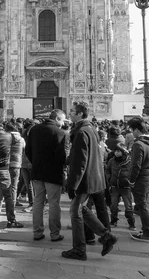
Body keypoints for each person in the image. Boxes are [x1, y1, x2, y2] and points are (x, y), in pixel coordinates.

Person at [62, 101, 117, 261]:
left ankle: (79, 249)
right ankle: (106, 235)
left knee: (75, 212)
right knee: (82, 209)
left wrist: (73, 185)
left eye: (72, 111)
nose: (70, 113)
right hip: (94, 177)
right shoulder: (90, 128)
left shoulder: (81, 132)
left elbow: (80, 162)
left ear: (79, 114)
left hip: (85, 179)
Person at [25, 109, 68, 242]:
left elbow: (28, 150)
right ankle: (55, 234)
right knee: (54, 203)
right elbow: (63, 156)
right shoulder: (61, 133)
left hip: (37, 172)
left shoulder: (34, 129)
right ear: (56, 119)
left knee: (38, 201)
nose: (63, 123)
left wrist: (36, 162)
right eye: (62, 120)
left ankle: (37, 232)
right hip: (53, 173)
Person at [128, 116, 149, 242]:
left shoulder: (138, 144)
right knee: (145, 204)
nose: (131, 133)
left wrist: (131, 181)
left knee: (142, 205)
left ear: (136, 130)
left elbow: (135, 166)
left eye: (131, 130)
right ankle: (147, 229)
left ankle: (147, 233)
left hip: (141, 178)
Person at [105, 144, 136, 230]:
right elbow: (107, 170)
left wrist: (130, 181)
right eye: (115, 151)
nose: (116, 153)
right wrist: (109, 178)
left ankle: (131, 222)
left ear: (123, 151)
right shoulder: (112, 161)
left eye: (118, 151)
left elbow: (134, 171)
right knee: (113, 206)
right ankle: (113, 220)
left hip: (126, 188)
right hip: (115, 187)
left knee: (128, 206)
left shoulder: (129, 161)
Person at [6, 121, 25, 207]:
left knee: (3, 186)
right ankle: (12, 206)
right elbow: (24, 149)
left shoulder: (6, 138)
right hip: (17, 164)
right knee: (14, 186)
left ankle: (3, 205)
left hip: (6, 163)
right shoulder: (21, 139)